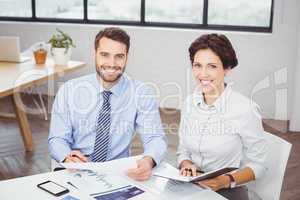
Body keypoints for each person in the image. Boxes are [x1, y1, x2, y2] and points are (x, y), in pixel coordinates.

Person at [48, 27, 167, 181]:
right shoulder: (69, 90)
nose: (111, 63)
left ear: (127, 57)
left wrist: (149, 160)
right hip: (75, 169)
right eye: (105, 55)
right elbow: (57, 139)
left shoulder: (141, 93)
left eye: (119, 56)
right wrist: (66, 158)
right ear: (95, 53)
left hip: (117, 172)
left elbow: (155, 137)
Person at [177, 34, 267, 199]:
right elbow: (183, 149)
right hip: (192, 184)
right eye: (197, 65)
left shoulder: (245, 109)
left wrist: (223, 181)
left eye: (211, 66)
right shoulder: (189, 102)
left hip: (227, 189)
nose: (202, 74)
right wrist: (186, 164)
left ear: (227, 68)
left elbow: (259, 165)